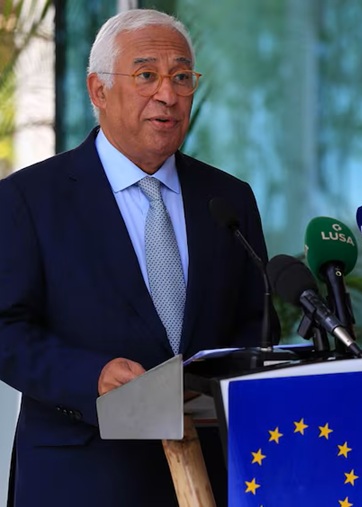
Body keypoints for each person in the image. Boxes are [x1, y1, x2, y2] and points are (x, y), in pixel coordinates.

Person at [0, 8, 278, 506]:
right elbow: (6, 330)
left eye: (182, 77)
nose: (168, 95)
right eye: (147, 75)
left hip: (209, 473)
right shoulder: (29, 199)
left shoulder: (228, 199)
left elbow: (256, 322)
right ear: (98, 90)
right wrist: (92, 376)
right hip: (81, 477)